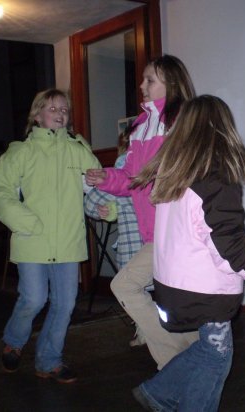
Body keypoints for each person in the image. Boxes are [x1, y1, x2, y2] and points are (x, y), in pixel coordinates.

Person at [130, 95, 245, 411]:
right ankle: (158, 391)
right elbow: (228, 244)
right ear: (222, 130)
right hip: (205, 290)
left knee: (212, 351)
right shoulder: (215, 178)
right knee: (216, 355)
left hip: (173, 287)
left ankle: (158, 392)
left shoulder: (175, 175)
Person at [85, 54, 198, 369]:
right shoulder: (140, 126)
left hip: (178, 230)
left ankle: (173, 364)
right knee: (172, 302)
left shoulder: (185, 122)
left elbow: (189, 175)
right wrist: (106, 178)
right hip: (155, 233)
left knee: (129, 286)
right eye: (143, 79)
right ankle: (189, 359)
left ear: (170, 83)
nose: (141, 85)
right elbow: (133, 180)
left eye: (150, 80)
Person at [0, 88, 102, 383]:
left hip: (68, 241)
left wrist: (106, 207)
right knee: (34, 298)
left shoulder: (79, 150)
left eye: (64, 109)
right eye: (52, 109)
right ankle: (14, 341)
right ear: (37, 116)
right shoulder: (21, 152)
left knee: (64, 303)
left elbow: (97, 189)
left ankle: (49, 360)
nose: (60, 114)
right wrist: (24, 222)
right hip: (32, 238)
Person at [84, 131, 145, 345]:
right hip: (135, 242)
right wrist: (106, 210)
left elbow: (93, 202)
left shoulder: (145, 170)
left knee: (138, 289)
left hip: (142, 243)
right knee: (136, 289)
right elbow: (93, 202)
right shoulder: (121, 171)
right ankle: (146, 328)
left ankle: (152, 329)